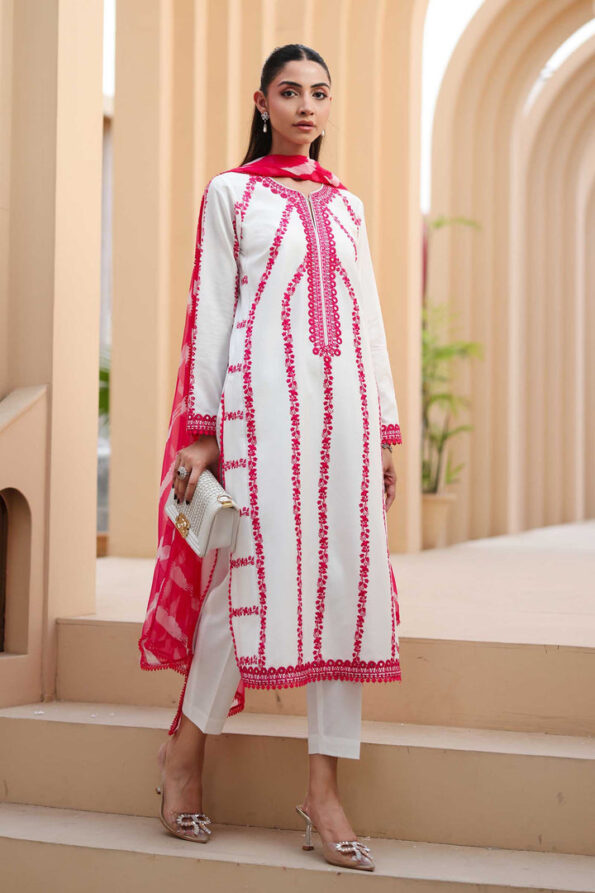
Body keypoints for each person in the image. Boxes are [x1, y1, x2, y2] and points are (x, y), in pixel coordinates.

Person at [139, 43, 403, 873]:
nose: (305, 106)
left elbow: (367, 319)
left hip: (345, 417)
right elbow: (213, 311)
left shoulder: (348, 205)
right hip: (261, 415)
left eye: (318, 92)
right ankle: (184, 756)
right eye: (289, 91)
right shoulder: (232, 194)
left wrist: (385, 428)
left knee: (345, 590)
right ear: (262, 102)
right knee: (245, 585)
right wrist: (204, 429)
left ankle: (323, 793)